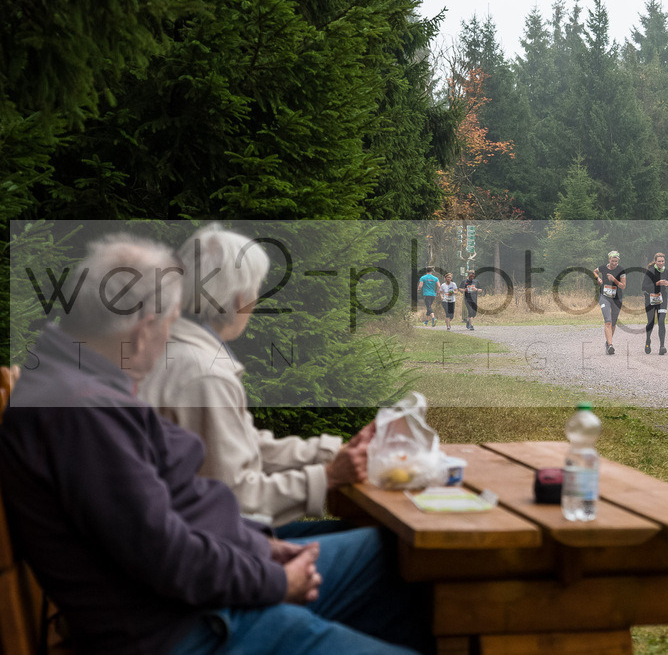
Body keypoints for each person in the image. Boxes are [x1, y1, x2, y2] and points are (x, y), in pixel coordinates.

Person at [0, 235, 430, 655]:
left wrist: (258, 546)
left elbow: (171, 513)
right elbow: (166, 553)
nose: (172, 340)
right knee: (413, 567)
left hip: (204, 591)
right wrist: (276, 582)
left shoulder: (80, 381)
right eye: (170, 325)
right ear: (144, 328)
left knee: (404, 559)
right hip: (190, 627)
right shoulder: (84, 413)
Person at [139, 225, 373, 532]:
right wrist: (327, 476)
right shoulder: (203, 375)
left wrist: (329, 453)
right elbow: (233, 499)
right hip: (213, 554)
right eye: (256, 291)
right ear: (239, 299)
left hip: (190, 536)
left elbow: (239, 445)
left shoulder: (172, 349)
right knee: (388, 553)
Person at [593, 250, 625, 355]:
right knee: (608, 321)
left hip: (617, 298)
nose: (614, 263)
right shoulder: (602, 267)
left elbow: (623, 286)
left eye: (616, 261)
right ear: (609, 260)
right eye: (612, 261)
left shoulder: (621, 270)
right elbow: (594, 271)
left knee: (613, 322)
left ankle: (608, 343)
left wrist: (614, 279)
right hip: (604, 296)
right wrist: (598, 278)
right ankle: (611, 345)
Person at [642, 252, 668, 355]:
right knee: (651, 321)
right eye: (659, 261)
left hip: (662, 298)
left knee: (661, 321)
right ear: (655, 261)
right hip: (650, 298)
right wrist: (656, 284)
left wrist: (667, 283)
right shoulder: (650, 272)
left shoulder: (666, 271)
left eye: (662, 261)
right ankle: (648, 341)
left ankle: (662, 346)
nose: (661, 263)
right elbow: (644, 287)